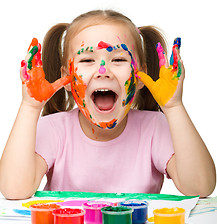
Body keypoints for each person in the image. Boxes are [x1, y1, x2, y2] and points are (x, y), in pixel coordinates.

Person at [0, 10, 215, 200]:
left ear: (141, 76)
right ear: (66, 77)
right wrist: (30, 108)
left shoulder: (154, 128)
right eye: (86, 60)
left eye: (119, 60)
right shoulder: (54, 129)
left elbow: (200, 187)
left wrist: (174, 107)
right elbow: (14, 190)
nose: (103, 71)